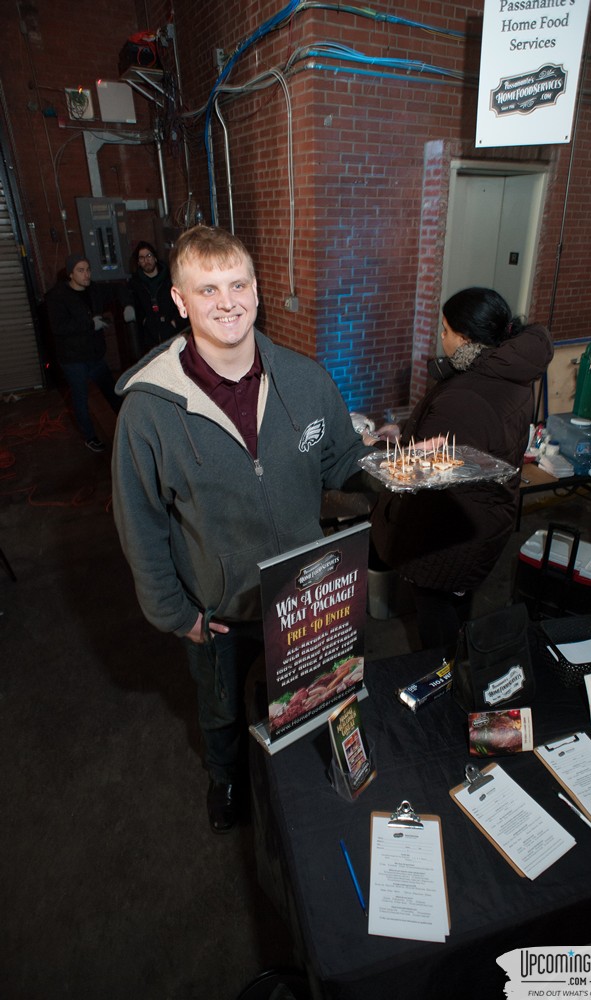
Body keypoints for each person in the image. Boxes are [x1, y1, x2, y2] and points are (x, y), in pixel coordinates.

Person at [111, 226, 373, 834]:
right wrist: (178, 616)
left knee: (317, 695)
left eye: (237, 284)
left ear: (256, 290)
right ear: (180, 301)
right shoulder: (148, 411)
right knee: (222, 708)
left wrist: (397, 469)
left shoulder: (304, 378)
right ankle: (226, 778)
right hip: (220, 608)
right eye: (207, 289)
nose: (226, 302)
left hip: (306, 597)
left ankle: (308, 785)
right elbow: (140, 524)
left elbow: (340, 461)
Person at [371, 287, 553, 654]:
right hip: (486, 518)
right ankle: (461, 665)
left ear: (466, 338)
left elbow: (423, 471)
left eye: (445, 330)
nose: (441, 338)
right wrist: (405, 433)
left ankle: (446, 678)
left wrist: (377, 448)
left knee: (436, 615)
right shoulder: (509, 375)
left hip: (448, 534)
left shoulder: (467, 396)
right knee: (457, 600)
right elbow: (461, 445)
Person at [46, 254, 123, 452]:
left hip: (94, 356)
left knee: (112, 393)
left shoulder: (93, 290)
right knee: (81, 399)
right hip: (73, 359)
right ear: (71, 274)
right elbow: (59, 327)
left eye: (88, 269)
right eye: (81, 270)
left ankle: (128, 428)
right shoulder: (57, 296)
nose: (86, 274)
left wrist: (126, 304)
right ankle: (90, 437)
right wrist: (90, 324)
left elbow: (117, 290)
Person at [122, 240, 187, 356]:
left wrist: (175, 321)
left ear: (155, 258)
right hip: (150, 338)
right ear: (138, 262)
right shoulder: (135, 284)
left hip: (173, 334)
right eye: (141, 258)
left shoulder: (170, 278)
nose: (146, 260)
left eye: (148, 256)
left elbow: (184, 299)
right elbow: (130, 300)